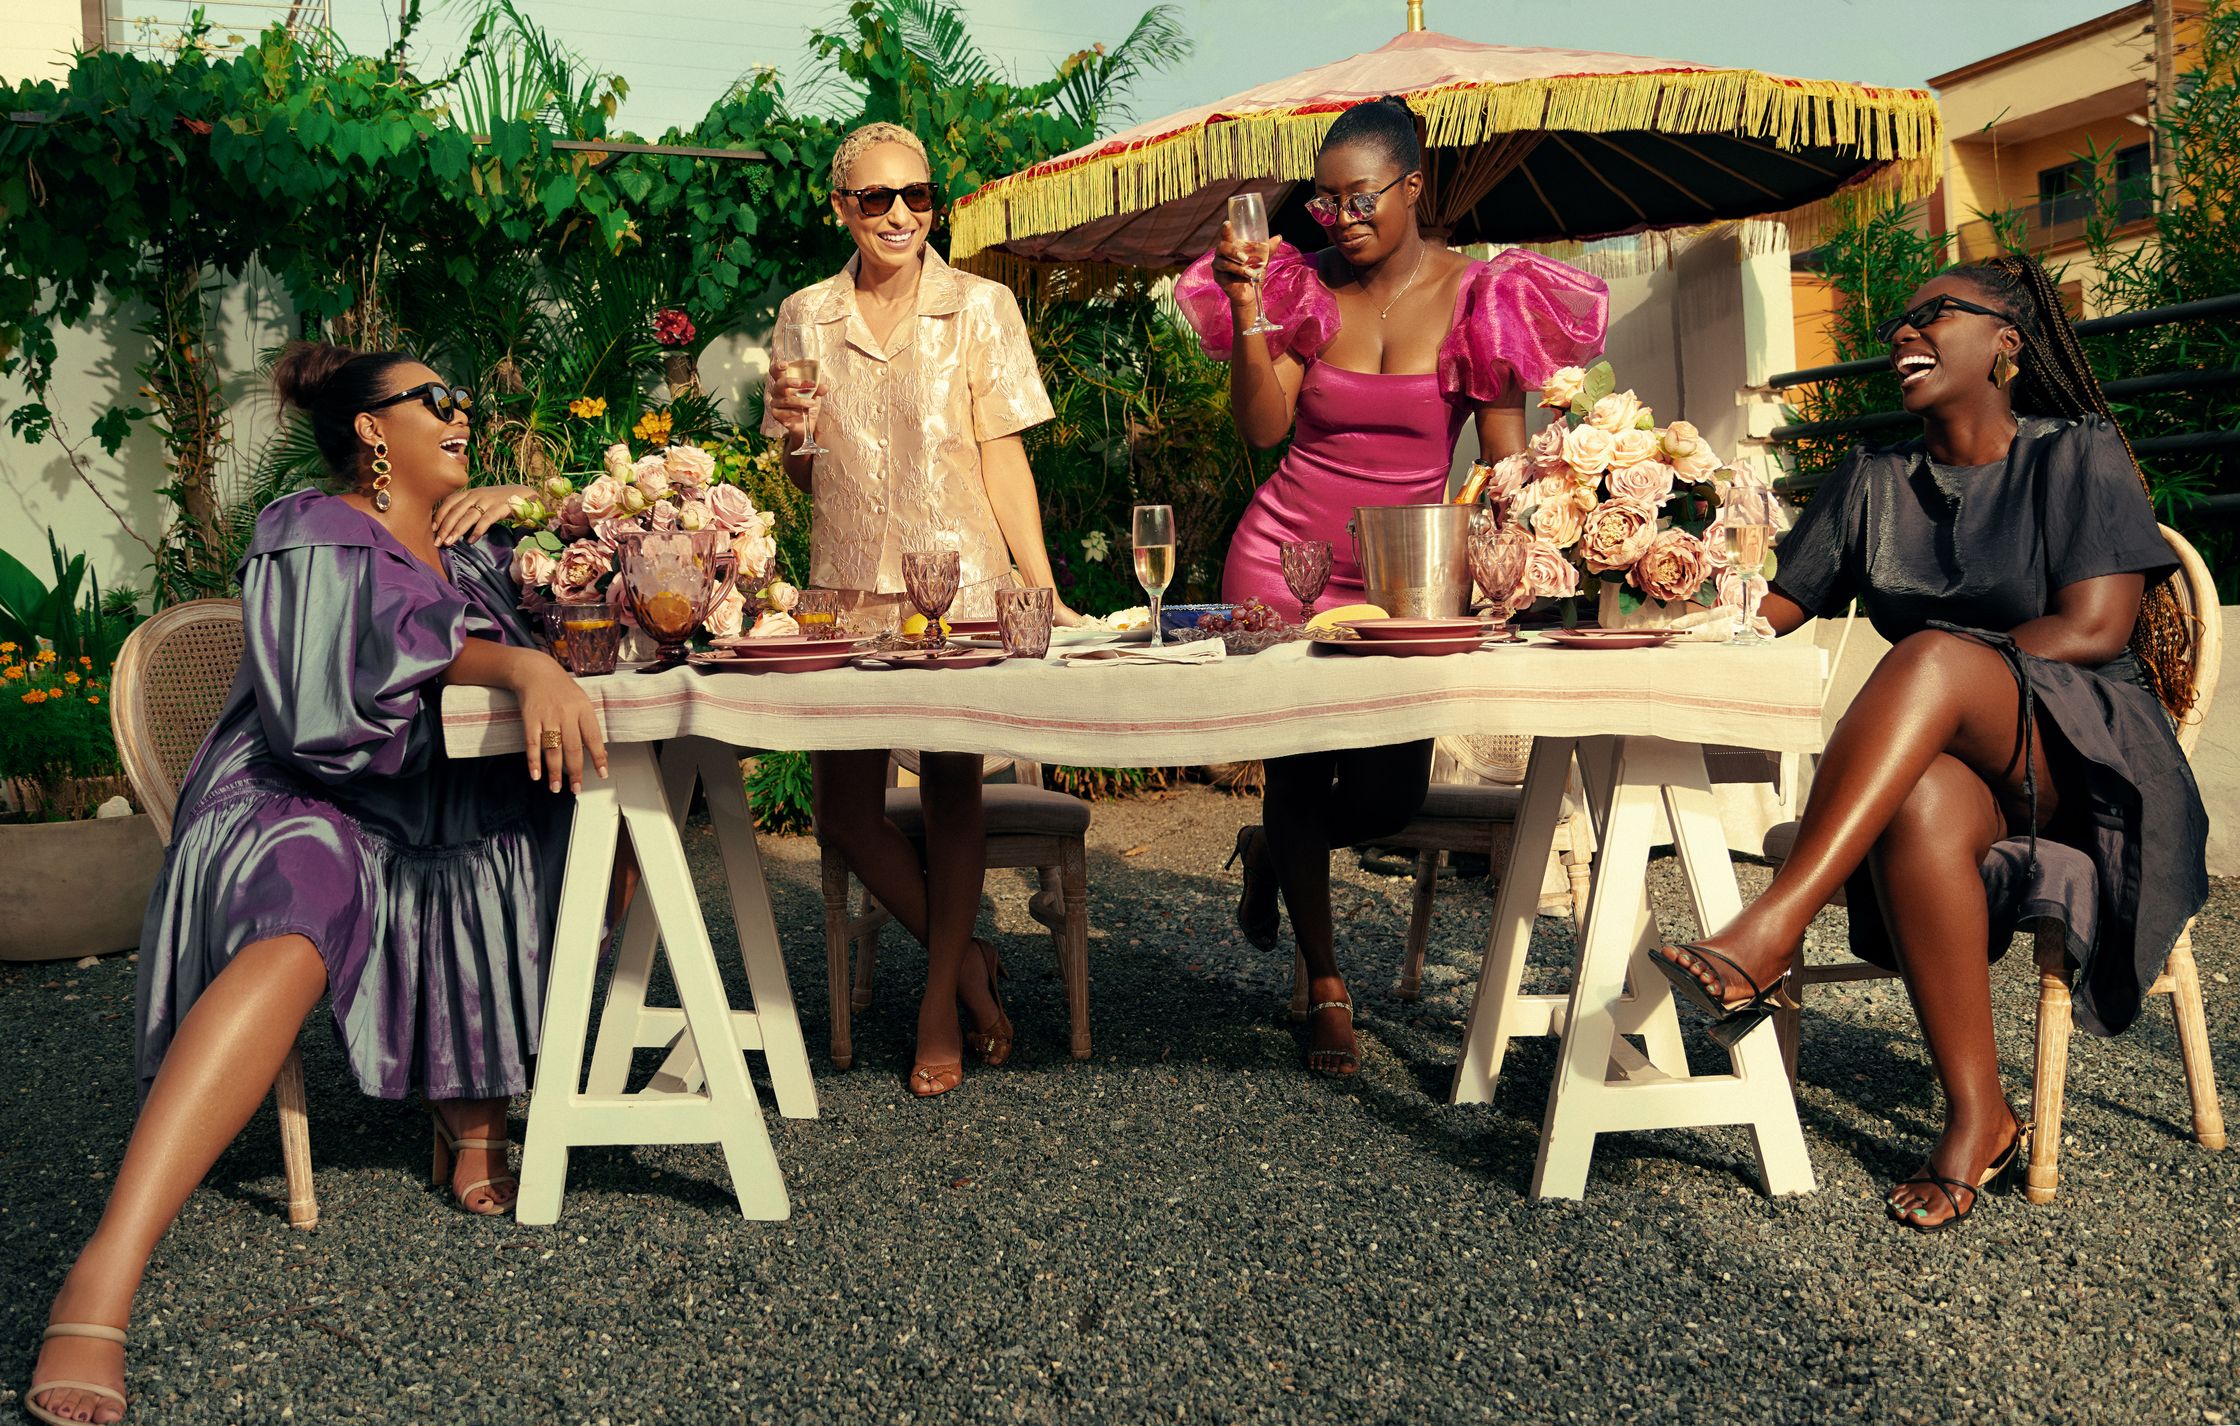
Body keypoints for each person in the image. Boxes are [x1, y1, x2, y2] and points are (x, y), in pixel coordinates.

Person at [26, 342, 601, 1424]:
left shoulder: (476, 543)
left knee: (564, 813)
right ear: (372, 431)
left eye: (462, 397)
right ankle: (103, 1268)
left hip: (427, 794)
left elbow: (591, 583)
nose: (461, 413)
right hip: (293, 788)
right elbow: (343, 684)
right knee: (306, 903)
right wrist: (515, 664)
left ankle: (470, 1101)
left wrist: (538, 500)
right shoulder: (310, 530)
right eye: (437, 400)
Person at [1649, 255, 2210, 1231]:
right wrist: (1652, 572)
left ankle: (1769, 927)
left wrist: (1952, 671)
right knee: (1916, 802)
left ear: (2005, 343)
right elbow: (1764, 612)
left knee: (1930, 661)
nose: (1902, 335)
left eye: (1932, 316)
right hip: (1960, 767)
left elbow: (2094, 628)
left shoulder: (2073, 455)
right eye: (1898, 323)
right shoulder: (1871, 481)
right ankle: (1977, 1116)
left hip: (2082, 755)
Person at [1175, 96, 1607, 1075]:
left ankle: (1272, 853)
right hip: (1282, 559)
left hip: (1404, 580)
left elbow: (1500, 461)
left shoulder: (1482, 295)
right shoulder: (1298, 284)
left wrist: (1531, 552)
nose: (1338, 217)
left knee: (1383, 790)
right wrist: (1247, 312)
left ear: (1412, 185)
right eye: (1322, 201)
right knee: (1295, 764)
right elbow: (1260, 429)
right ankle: (1326, 984)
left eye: (1359, 195)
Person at [762, 120, 1073, 1098]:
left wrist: (1040, 578)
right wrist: (790, 438)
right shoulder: (803, 317)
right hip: (846, 593)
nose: (900, 213)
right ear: (840, 209)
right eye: (876, 198)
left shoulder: (979, 308)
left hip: (958, 586)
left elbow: (1001, 453)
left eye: (917, 195)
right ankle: (975, 956)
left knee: (950, 792)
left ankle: (940, 998)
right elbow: (795, 466)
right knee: (844, 812)